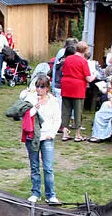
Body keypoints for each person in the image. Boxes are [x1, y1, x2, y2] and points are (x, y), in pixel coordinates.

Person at [22, 76, 61, 204]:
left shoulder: (54, 101)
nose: (39, 89)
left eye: (42, 87)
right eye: (37, 86)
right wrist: (35, 106)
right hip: (33, 136)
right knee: (34, 166)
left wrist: (52, 134)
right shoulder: (31, 98)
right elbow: (26, 115)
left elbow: (57, 119)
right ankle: (35, 192)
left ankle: (51, 195)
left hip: (47, 137)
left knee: (48, 167)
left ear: (47, 88)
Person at [60, 41, 94, 142]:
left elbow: (63, 71)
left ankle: (65, 133)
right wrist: (95, 74)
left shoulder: (68, 58)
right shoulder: (83, 61)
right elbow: (88, 79)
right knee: (78, 110)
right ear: (85, 50)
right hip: (77, 87)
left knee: (66, 110)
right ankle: (77, 134)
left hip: (66, 85)